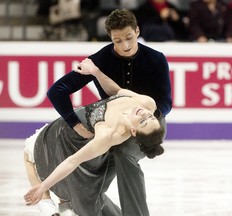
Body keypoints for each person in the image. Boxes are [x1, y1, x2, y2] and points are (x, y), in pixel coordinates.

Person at [40, 8, 172, 216]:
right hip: (113, 126)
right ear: (110, 38)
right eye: (118, 41)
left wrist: (146, 114)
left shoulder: (156, 58)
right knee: (87, 177)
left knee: (123, 152)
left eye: (129, 37)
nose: (125, 45)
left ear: (137, 31)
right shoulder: (100, 59)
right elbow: (56, 91)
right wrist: (74, 124)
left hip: (149, 122)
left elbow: (166, 102)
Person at [24, 58, 166, 216]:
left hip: (71, 142)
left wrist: (43, 187)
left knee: (30, 157)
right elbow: (117, 91)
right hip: (62, 127)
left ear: (133, 131)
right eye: (151, 118)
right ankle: (58, 208)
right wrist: (95, 72)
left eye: (143, 122)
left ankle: (48, 208)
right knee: (30, 157)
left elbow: (73, 161)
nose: (145, 114)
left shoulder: (110, 134)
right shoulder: (148, 104)